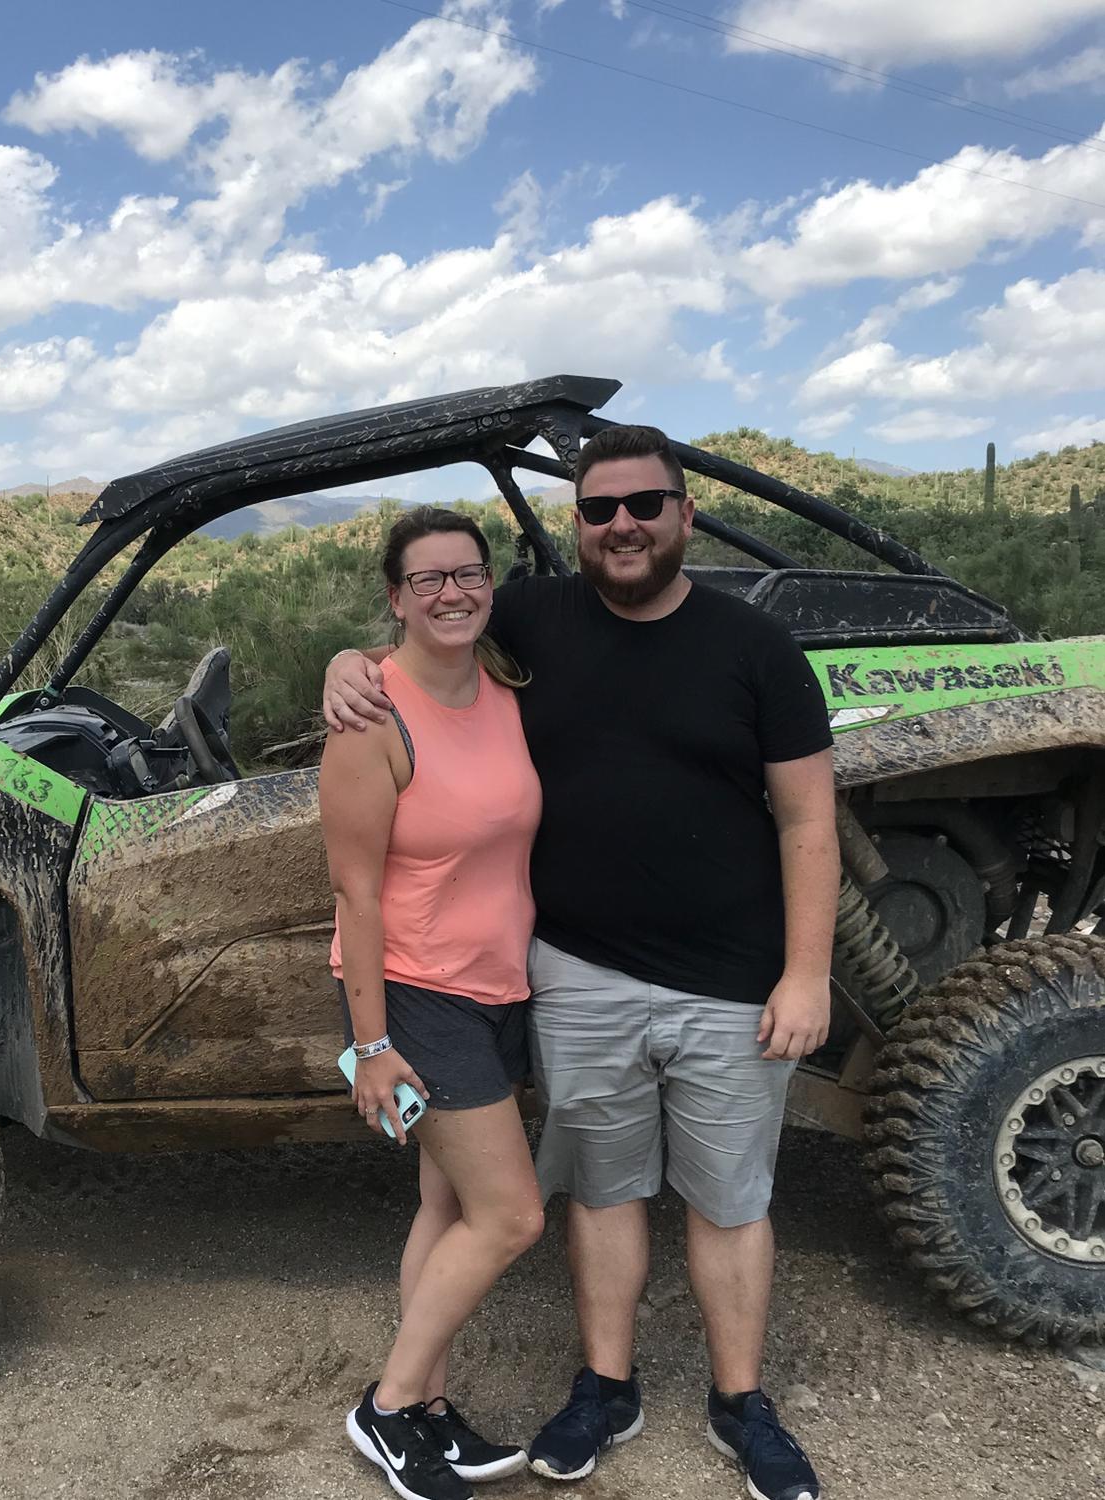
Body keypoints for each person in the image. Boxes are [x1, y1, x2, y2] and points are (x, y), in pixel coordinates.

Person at [324, 426, 837, 1500]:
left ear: (685, 515)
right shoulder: (534, 616)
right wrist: (346, 667)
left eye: (646, 505)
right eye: (601, 509)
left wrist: (807, 971)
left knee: (728, 1199)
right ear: (577, 524)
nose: (624, 525)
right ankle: (599, 1387)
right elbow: (419, 633)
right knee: (593, 1193)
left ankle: (742, 1405)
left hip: (730, 983)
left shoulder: (756, 650)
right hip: (575, 977)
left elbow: (808, 823)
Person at [321, 506, 545, 1500]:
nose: (451, 592)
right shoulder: (373, 718)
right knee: (512, 1216)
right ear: (395, 596)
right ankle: (386, 1405)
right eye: (427, 579)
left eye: (467, 573)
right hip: (412, 1000)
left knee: (447, 1201)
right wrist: (369, 1046)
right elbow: (353, 894)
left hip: (496, 984)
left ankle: (426, 1411)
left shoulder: (502, 683)